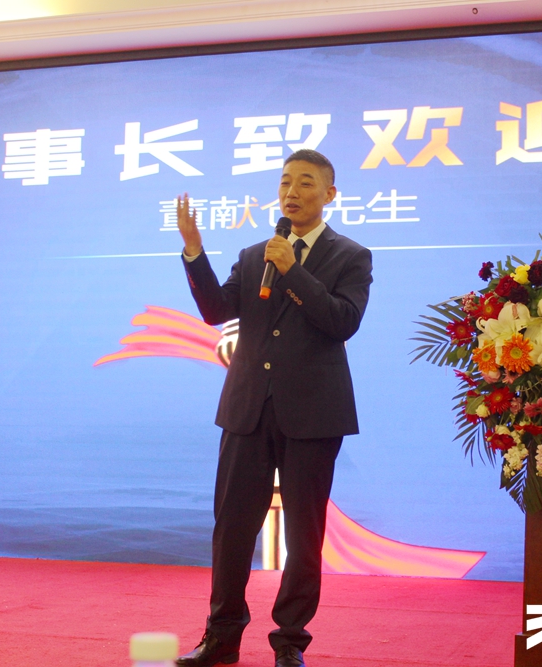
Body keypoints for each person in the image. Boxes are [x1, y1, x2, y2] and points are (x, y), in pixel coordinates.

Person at [175, 149, 373, 667]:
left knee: (303, 535)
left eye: (305, 182)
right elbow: (216, 310)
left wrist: (292, 271)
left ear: (329, 194)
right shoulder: (253, 255)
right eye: (285, 182)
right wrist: (195, 253)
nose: (291, 192)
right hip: (247, 408)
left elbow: (342, 321)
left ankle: (289, 642)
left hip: (313, 413)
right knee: (232, 528)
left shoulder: (351, 256)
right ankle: (221, 637)